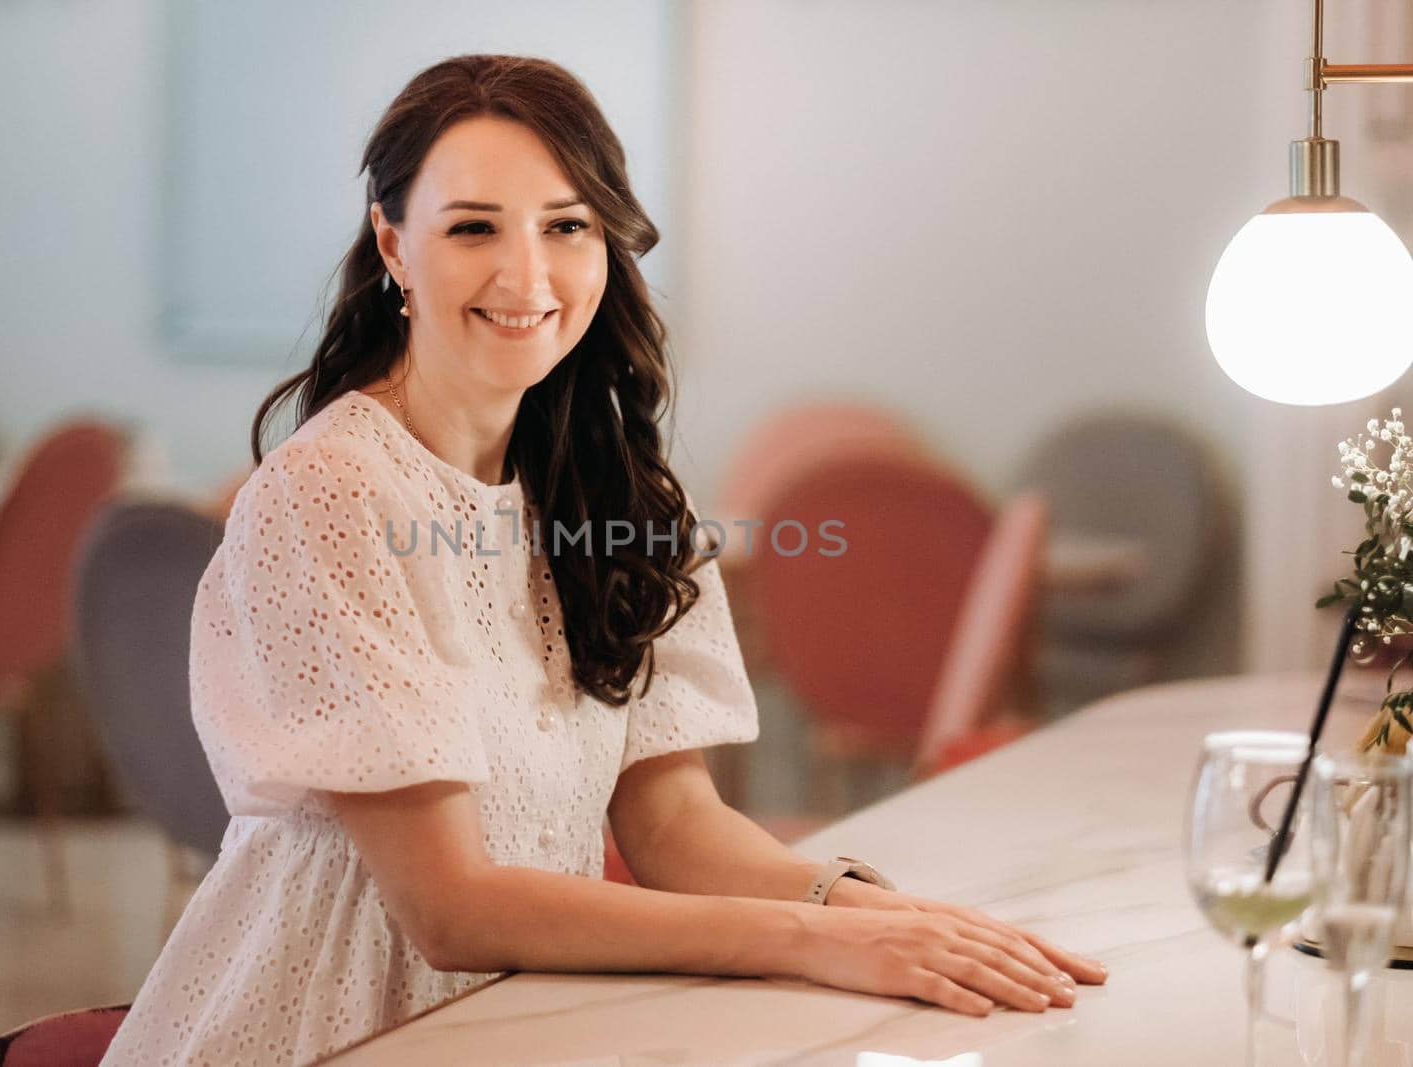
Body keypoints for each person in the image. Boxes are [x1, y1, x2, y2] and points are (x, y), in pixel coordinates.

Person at [101, 54, 1106, 1066]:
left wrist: (876, 911)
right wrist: (820, 941)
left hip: (535, 1013)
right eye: (473, 227)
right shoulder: (333, 491)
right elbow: (448, 908)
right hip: (336, 1023)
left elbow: (672, 824)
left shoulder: (613, 489)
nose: (525, 275)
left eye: (566, 225)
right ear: (392, 244)